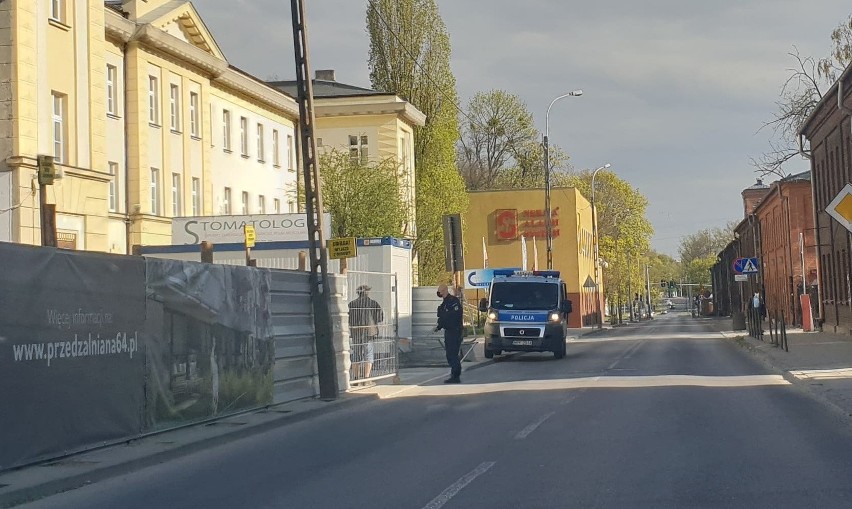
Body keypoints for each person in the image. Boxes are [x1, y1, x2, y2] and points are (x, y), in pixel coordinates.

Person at [349, 285, 383, 380]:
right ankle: (366, 377)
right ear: (367, 292)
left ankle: (356, 377)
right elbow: (380, 318)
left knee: (356, 353)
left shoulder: (352, 304)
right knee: (368, 353)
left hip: (356, 332)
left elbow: (348, 318)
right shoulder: (373, 303)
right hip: (369, 332)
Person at [435, 283, 463, 384]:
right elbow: (442, 318)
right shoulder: (444, 304)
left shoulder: (453, 301)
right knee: (449, 354)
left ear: (445, 290)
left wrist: (445, 318)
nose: (439, 293)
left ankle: (456, 376)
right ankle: (454, 375)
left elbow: (455, 315)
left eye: (440, 290)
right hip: (448, 331)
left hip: (455, 331)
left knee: (453, 354)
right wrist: (438, 327)